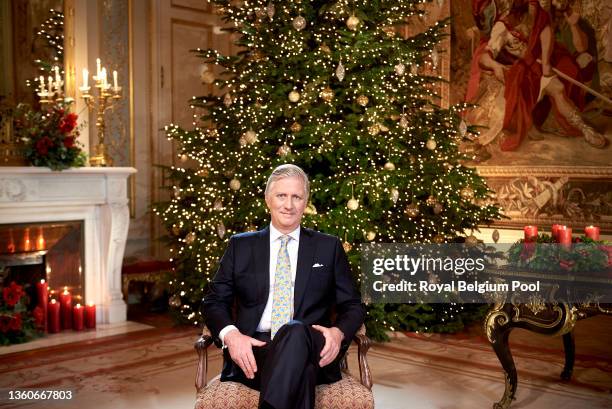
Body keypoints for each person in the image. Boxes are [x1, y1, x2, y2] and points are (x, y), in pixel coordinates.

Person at [202, 164, 365, 409]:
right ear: (268, 200)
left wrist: (338, 333)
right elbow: (214, 301)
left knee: (295, 331)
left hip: (313, 345)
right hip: (255, 351)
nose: (289, 205)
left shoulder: (327, 246)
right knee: (303, 372)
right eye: (281, 196)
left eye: (296, 197)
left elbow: (353, 305)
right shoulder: (241, 246)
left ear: (305, 202)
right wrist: (232, 336)